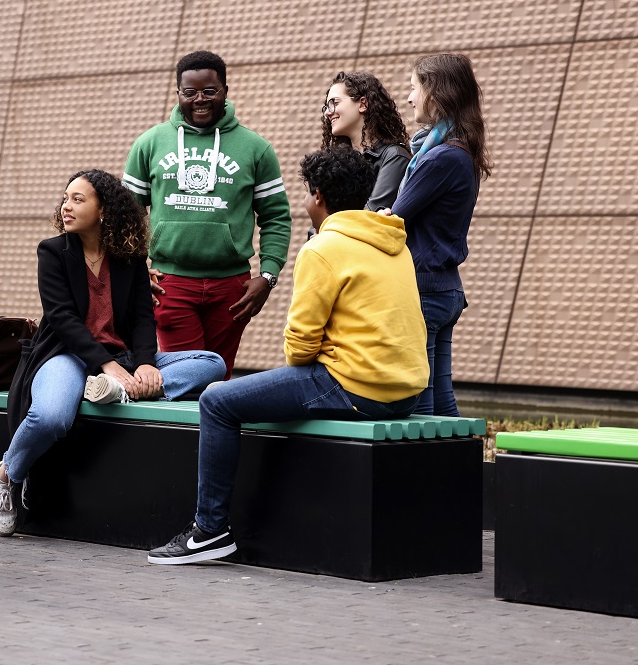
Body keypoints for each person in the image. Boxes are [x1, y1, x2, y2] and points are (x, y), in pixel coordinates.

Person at [148, 147, 428, 564]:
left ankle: (209, 531)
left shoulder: (323, 248)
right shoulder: (393, 242)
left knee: (217, 400)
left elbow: (299, 348)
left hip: (357, 387)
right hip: (407, 391)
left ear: (317, 195)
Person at [0, 170, 226, 537]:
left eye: (78, 199)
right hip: (66, 355)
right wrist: (107, 365)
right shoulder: (52, 252)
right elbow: (63, 319)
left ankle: (120, 389)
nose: (66, 206)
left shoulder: (129, 256)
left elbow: (145, 319)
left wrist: (145, 363)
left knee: (212, 363)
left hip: (124, 359)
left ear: (104, 210)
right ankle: (8, 473)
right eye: (65, 198)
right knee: (51, 417)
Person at [123, 51, 291, 378]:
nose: (200, 100)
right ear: (178, 94)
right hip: (169, 282)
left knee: (219, 378)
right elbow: (125, 216)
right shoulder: (150, 143)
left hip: (233, 287)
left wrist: (268, 277)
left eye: (209, 91)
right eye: (190, 92)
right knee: (191, 377)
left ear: (225, 91)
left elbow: (276, 216)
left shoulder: (256, 149)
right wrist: (133, 269)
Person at [388, 53, 492, 417]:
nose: (410, 97)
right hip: (444, 289)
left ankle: (433, 473)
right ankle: (457, 470)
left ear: (436, 92)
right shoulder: (460, 151)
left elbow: (394, 219)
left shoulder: (439, 158)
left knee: (422, 403)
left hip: (426, 289)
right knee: (442, 398)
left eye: (414, 87)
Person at [320, 71, 411, 211]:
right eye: (326, 106)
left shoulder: (394, 157)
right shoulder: (340, 162)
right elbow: (321, 214)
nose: (327, 112)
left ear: (362, 104)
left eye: (334, 103)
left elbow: (369, 216)